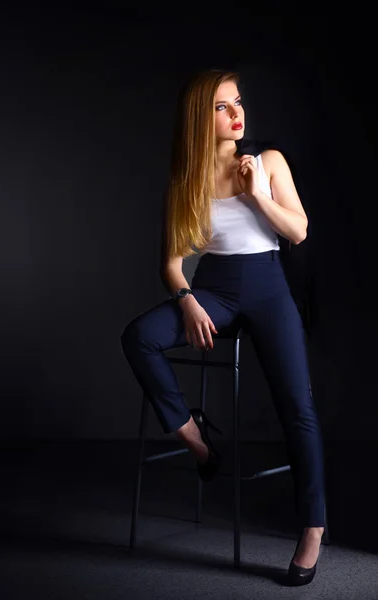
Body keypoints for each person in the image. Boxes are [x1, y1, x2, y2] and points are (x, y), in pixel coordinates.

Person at [120, 68, 325, 586]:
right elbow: (172, 263)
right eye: (221, 107)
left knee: (297, 409)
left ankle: (312, 527)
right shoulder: (185, 180)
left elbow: (298, 231)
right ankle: (200, 445)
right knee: (139, 337)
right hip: (213, 289)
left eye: (237, 103)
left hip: (269, 286)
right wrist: (187, 299)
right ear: (199, 118)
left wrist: (258, 194)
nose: (237, 114)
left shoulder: (267, 162)